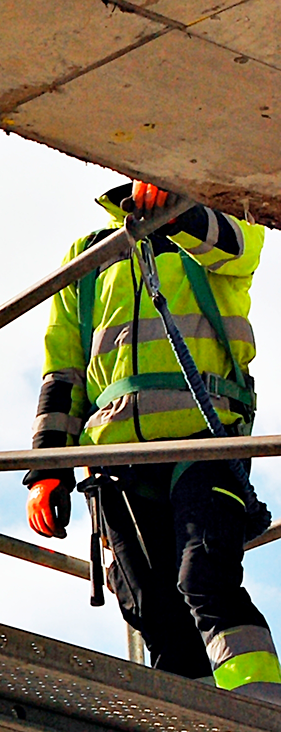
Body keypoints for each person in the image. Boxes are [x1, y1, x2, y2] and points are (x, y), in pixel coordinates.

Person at [25, 181, 281, 705]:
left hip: (205, 440)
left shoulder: (224, 222)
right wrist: (49, 469)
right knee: (150, 604)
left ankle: (263, 707)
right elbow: (64, 371)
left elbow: (235, 244)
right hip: (116, 456)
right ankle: (191, 725)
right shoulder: (91, 255)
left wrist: (175, 209)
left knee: (204, 573)